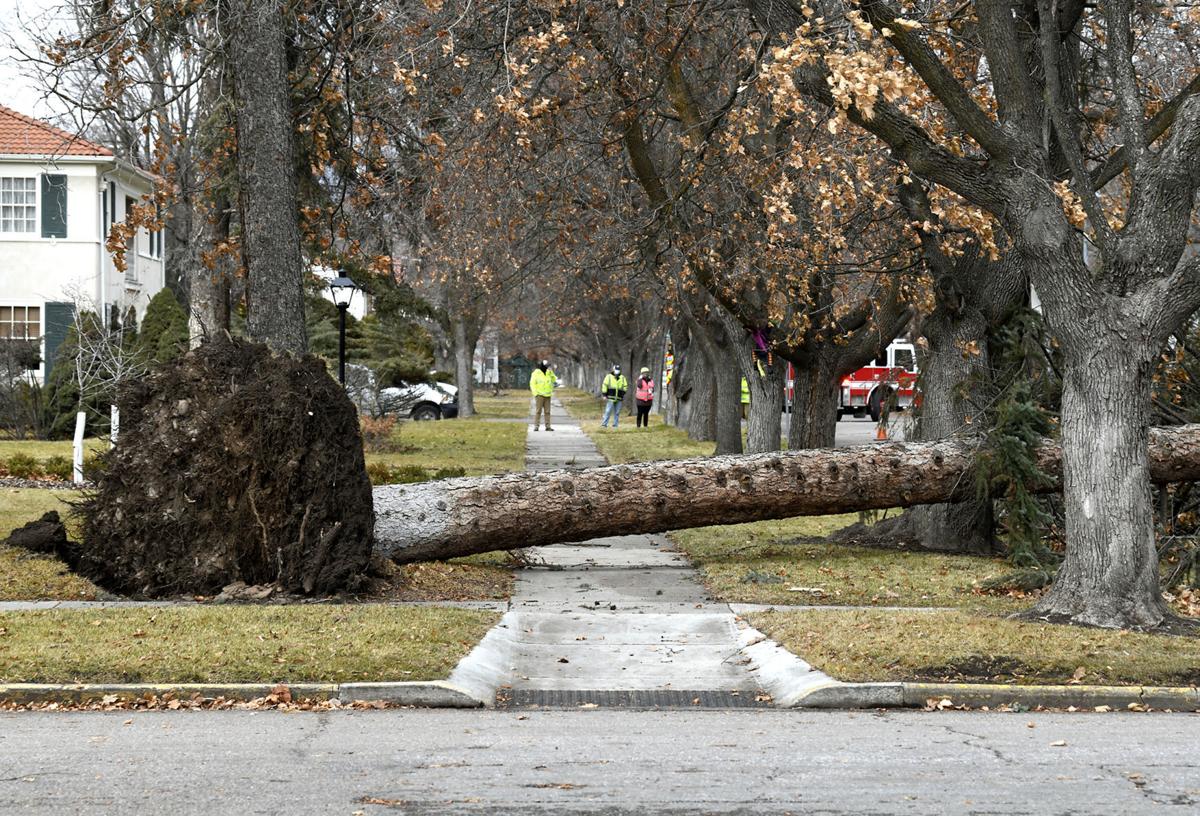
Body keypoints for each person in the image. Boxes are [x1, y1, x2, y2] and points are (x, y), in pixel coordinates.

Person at [529, 359, 557, 431]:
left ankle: (548, 426)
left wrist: (551, 373)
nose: (547, 367)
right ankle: (536, 426)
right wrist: (535, 393)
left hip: (547, 395)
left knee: (547, 412)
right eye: (546, 366)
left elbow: (554, 380)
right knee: (538, 411)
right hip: (539, 395)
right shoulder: (536, 373)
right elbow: (532, 383)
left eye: (548, 366)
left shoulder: (549, 373)